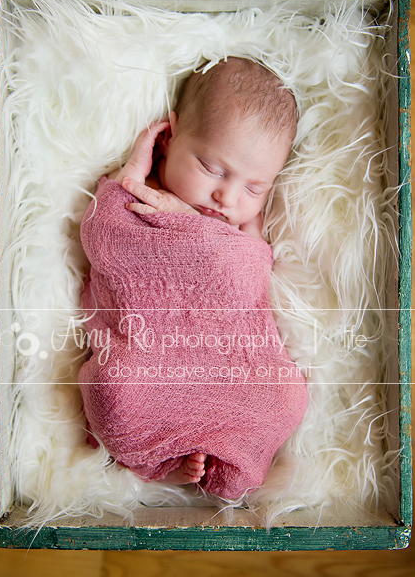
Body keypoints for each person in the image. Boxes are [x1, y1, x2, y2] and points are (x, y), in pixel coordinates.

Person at [80, 57, 306, 498]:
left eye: (253, 188)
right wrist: (130, 175)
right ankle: (158, 464)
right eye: (213, 169)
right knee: (112, 389)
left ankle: (230, 464)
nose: (226, 196)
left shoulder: (240, 225)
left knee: (287, 397)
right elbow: (102, 237)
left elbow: (251, 267)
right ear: (167, 138)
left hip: (234, 369)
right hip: (149, 369)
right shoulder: (140, 199)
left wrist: (209, 233)